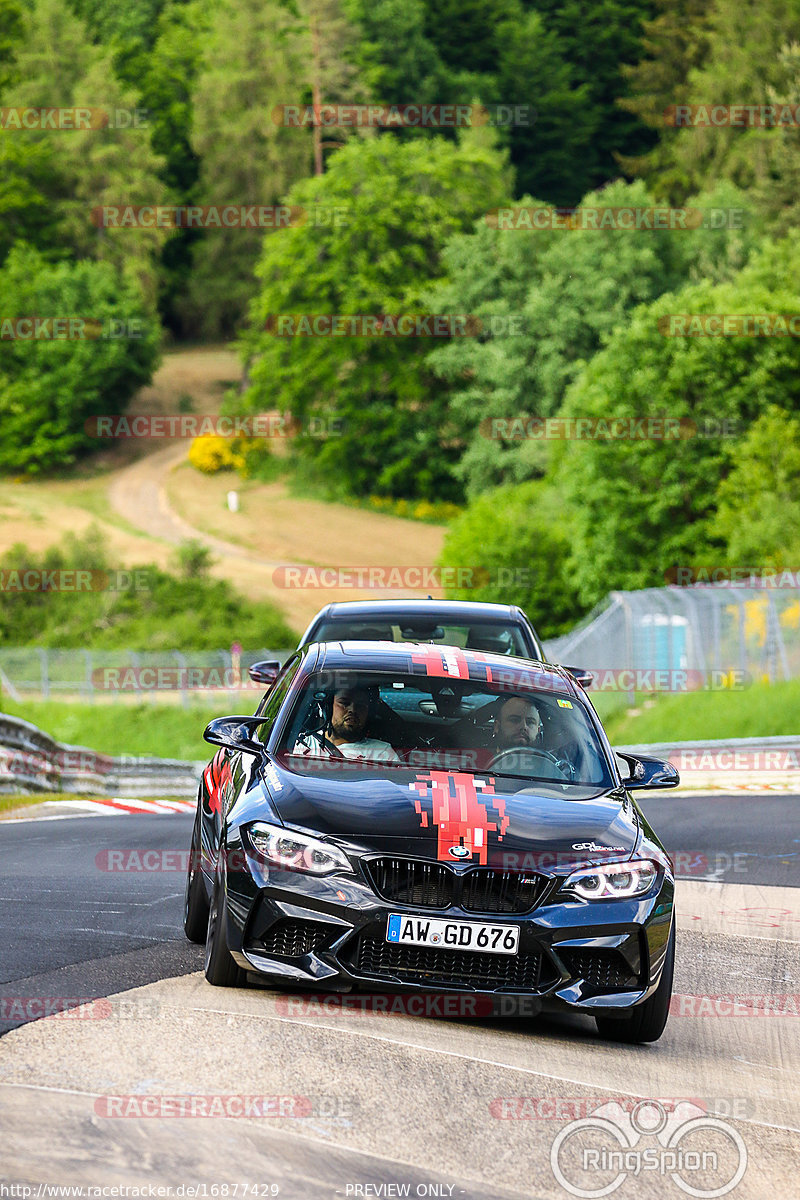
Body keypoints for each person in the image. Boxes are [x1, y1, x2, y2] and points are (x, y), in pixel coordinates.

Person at [293, 684, 400, 763]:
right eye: (344, 703)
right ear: (329, 708)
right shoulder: (305, 744)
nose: (352, 710)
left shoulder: (382, 752)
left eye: (360, 705)